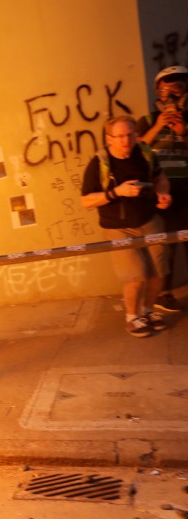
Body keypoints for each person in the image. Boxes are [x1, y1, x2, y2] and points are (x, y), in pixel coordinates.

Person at [81, 114, 172, 337]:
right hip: (118, 227)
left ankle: (147, 311)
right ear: (108, 138)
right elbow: (86, 201)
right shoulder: (100, 163)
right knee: (136, 275)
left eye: (130, 134)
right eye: (119, 136)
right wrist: (116, 192)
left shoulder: (145, 153)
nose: (126, 140)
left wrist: (163, 192)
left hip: (149, 220)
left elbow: (160, 177)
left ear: (136, 134)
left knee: (159, 272)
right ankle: (132, 318)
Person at [137, 65, 188, 313]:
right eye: (166, 90)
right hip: (160, 195)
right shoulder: (147, 120)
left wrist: (183, 132)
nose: (171, 97)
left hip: (187, 192)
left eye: (178, 88)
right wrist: (158, 127)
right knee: (164, 247)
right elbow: (136, 152)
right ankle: (163, 294)